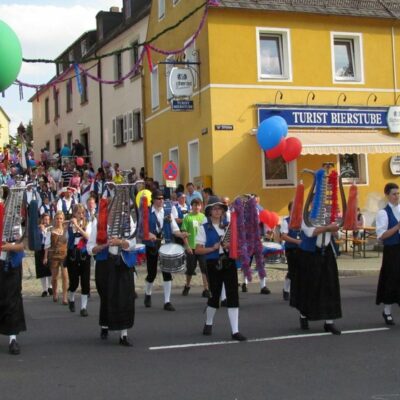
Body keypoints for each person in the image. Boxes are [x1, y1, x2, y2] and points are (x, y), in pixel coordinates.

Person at [195, 196, 247, 341]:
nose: (217, 211)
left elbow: (239, 244)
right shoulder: (203, 228)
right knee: (214, 297)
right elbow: (198, 250)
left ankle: (235, 331)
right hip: (213, 264)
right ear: (210, 211)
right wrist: (213, 248)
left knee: (232, 296)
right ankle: (209, 322)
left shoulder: (229, 226)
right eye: (214, 208)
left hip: (229, 263)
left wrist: (231, 246)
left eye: (220, 208)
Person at [87, 202, 137, 346]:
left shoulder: (128, 220)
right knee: (106, 295)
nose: (116, 209)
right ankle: (104, 325)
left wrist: (120, 242)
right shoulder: (99, 221)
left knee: (125, 297)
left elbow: (132, 243)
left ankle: (124, 334)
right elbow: (90, 246)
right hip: (105, 263)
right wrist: (100, 247)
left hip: (123, 262)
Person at [290, 219, 342, 335]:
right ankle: (304, 314)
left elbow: (338, 234)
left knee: (330, 287)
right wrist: (328, 227)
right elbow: (310, 232)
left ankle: (329, 322)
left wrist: (335, 230)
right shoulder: (307, 216)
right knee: (310, 286)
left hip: (327, 252)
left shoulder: (330, 216)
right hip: (310, 254)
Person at [142, 190, 188, 311]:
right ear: (153, 200)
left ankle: (167, 301)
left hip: (165, 245)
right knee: (151, 273)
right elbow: (140, 231)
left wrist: (181, 234)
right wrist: (148, 234)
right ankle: (147, 293)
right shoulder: (146, 212)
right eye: (158, 198)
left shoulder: (168, 211)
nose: (161, 200)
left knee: (167, 272)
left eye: (162, 198)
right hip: (151, 245)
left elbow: (174, 229)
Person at [375, 182, 400, 325]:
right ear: (387, 196)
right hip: (392, 250)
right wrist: (397, 226)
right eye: (394, 194)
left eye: (398, 193)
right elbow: (382, 235)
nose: (397, 196)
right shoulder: (383, 213)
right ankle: (387, 311)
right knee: (391, 279)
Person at [0, 230, 26, 355]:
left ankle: (13, 339)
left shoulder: (13, 219)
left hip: (10, 264)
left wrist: (11, 247)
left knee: (12, 300)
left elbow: (22, 245)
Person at [65, 204, 91, 317]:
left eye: (82, 213)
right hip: (73, 254)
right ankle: (71, 299)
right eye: (79, 213)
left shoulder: (87, 223)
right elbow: (65, 239)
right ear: (74, 214)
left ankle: (83, 307)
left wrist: (78, 227)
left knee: (85, 281)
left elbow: (88, 237)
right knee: (74, 281)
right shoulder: (70, 226)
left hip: (84, 253)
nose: (81, 215)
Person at [181, 198, 209, 298]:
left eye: (198, 205)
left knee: (204, 268)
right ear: (191, 206)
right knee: (190, 269)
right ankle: (187, 285)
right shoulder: (187, 217)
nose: (196, 207)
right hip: (191, 248)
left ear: (201, 207)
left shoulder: (204, 217)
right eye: (194, 205)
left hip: (201, 248)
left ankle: (206, 289)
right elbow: (184, 234)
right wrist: (187, 246)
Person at [43, 211, 69, 304]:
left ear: (63, 220)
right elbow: (46, 245)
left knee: (65, 276)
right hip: (53, 255)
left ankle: (65, 297)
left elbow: (69, 242)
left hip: (64, 255)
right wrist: (45, 257)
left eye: (61, 218)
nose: (59, 220)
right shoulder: (50, 230)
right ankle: (54, 293)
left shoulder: (66, 230)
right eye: (57, 218)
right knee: (54, 277)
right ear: (55, 219)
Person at [280, 201, 301, 301]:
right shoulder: (286, 221)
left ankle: (295, 291)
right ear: (290, 210)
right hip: (291, 249)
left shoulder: (302, 221)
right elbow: (283, 236)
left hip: (301, 249)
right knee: (292, 271)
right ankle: (287, 290)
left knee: (299, 270)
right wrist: (296, 241)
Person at [35, 213, 53, 297]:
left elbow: (49, 239)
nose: (46, 221)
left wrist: (44, 231)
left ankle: (50, 286)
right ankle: (44, 289)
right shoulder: (37, 228)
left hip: (48, 248)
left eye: (48, 219)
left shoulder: (50, 228)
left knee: (49, 268)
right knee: (41, 269)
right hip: (39, 249)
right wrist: (41, 230)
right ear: (42, 220)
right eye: (45, 219)